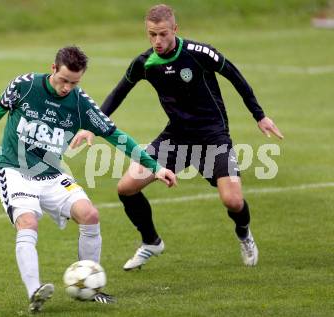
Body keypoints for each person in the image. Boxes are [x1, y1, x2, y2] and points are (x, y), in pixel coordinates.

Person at [0, 46, 176, 313]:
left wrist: (154, 167)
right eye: (64, 80)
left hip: (53, 174)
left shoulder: (80, 102)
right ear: (53, 69)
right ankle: (35, 293)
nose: (67, 87)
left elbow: (115, 135)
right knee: (27, 222)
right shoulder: (25, 86)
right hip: (14, 172)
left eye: (74, 82)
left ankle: (90, 288)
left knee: (90, 214)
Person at [72, 4, 283, 271]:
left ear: (175, 29)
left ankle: (244, 233)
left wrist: (259, 115)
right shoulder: (145, 62)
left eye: (162, 34)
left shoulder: (199, 53)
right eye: (151, 35)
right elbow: (119, 92)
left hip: (212, 137)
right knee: (126, 187)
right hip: (176, 137)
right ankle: (151, 242)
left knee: (233, 201)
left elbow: (235, 76)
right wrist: (94, 124)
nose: (157, 41)